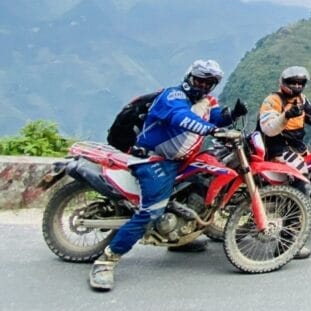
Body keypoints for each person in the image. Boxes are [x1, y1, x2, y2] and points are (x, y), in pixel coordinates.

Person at [89, 59, 246, 291]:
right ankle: (107, 260)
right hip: (152, 158)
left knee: (199, 183)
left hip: (180, 159)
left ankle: (178, 238)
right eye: (199, 80)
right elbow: (181, 118)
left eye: (208, 83)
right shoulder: (173, 97)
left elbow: (213, 116)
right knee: (151, 212)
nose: (202, 86)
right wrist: (214, 131)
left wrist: (231, 114)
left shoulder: (204, 101)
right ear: (189, 76)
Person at [258, 65, 311, 251]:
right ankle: (287, 240)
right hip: (277, 149)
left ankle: (305, 216)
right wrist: (285, 116)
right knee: (302, 185)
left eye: (299, 82)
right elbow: (269, 129)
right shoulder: (273, 100)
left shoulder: (301, 99)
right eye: (292, 82)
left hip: (297, 148)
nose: (296, 86)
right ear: (283, 83)